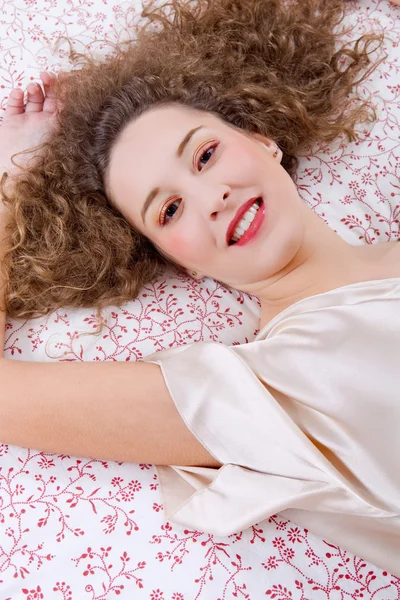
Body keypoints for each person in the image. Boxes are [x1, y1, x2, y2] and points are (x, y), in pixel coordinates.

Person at [0, 0, 399, 576]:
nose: (213, 198)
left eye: (206, 155)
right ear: (178, 263)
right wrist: (12, 181)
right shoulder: (256, 392)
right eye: (169, 210)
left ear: (264, 142)